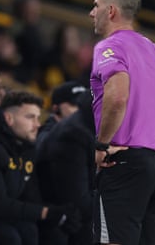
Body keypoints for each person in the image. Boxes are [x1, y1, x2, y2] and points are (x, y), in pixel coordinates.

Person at [89, 0, 155, 245]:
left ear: (111, 11)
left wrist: (102, 144)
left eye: (96, 5)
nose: (91, 12)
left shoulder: (108, 47)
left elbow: (118, 96)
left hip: (123, 160)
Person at [0, 91, 81, 245]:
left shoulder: (26, 145)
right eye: (30, 117)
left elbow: (31, 197)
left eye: (38, 118)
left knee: (55, 230)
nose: (37, 124)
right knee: (14, 234)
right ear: (9, 118)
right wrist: (45, 212)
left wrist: (58, 214)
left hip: (6, 214)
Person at [36, 91, 96, 245]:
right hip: (63, 211)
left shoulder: (86, 129)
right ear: (56, 109)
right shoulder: (70, 134)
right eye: (71, 104)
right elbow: (76, 199)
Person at [36, 80, 87, 150]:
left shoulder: (90, 129)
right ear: (56, 108)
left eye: (84, 103)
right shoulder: (46, 135)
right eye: (74, 104)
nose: (81, 108)